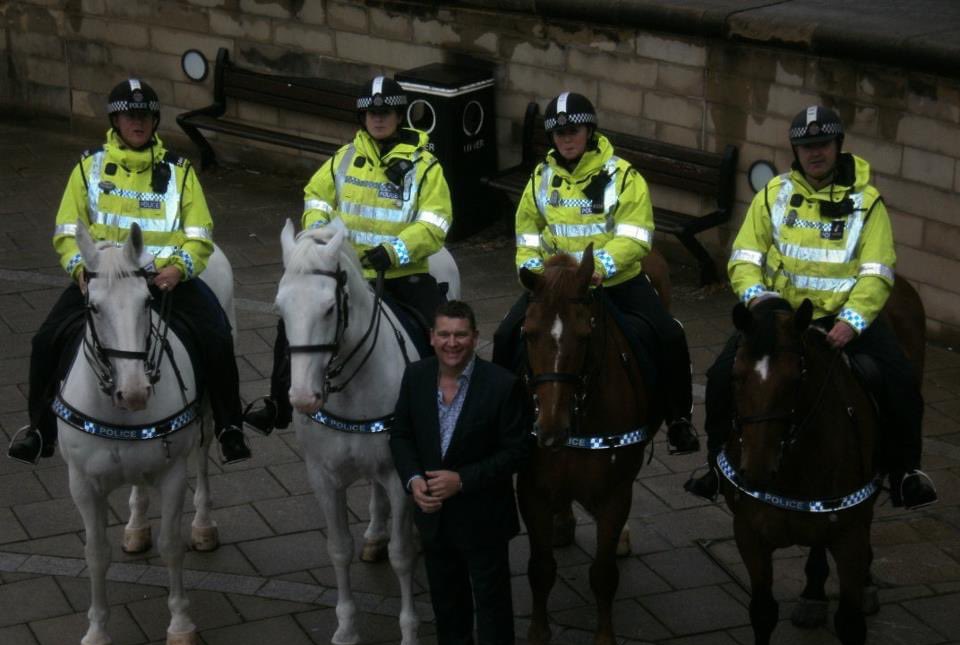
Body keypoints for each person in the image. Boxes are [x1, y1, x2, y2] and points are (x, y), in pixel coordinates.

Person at [686, 105, 937, 509]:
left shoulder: (867, 202)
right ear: (795, 151)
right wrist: (760, 300)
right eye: (806, 146)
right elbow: (745, 256)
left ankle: (905, 472)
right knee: (720, 375)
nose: (815, 153)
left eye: (822, 144)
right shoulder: (775, 194)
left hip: (845, 319)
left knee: (901, 381)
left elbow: (876, 272)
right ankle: (716, 466)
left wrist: (852, 322)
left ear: (838, 146)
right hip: (781, 316)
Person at [7, 79, 251, 465]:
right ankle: (39, 431)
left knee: (218, 336)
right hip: (104, 279)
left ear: (154, 122)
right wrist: (79, 270)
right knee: (45, 341)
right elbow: (67, 231)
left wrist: (178, 268)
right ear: (115, 120)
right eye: (128, 116)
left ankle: (228, 427)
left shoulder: (180, 171)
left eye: (144, 116)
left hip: (163, 280)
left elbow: (200, 235)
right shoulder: (89, 167)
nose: (137, 123)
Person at [492, 91, 699, 453]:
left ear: (589, 130)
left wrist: (601, 267)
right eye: (558, 133)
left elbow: (636, 234)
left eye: (573, 131)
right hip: (555, 288)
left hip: (614, 282)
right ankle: (504, 417)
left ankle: (678, 420)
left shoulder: (622, 175)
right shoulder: (541, 177)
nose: (566, 138)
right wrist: (532, 271)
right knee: (506, 334)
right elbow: (526, 231)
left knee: (668, 335)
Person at [244, 76, 452, 435]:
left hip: (401, 276)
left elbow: (435, 223)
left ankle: (444, 409)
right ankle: (278, 403)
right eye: (370, 112)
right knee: (291, 324)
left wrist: (393, 251)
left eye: (385, 111)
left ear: (399, 115)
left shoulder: (425, 166)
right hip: (339, 274)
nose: (378, 118)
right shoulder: (342, 160)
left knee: (439, 333)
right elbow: (316, 199)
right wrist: (318, 237)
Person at [390, 301, 526, 645]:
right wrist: (413, 480)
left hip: (482, 518)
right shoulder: (415, 377)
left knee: (491, 606)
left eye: (461, 335)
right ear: (431, 337)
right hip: (432, 515)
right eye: (444, 334)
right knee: (447, 601)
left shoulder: (502, 385)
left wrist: (462, 480)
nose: (452, 343)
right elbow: (401, 435)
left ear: (475, 337)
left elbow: (517, 451)